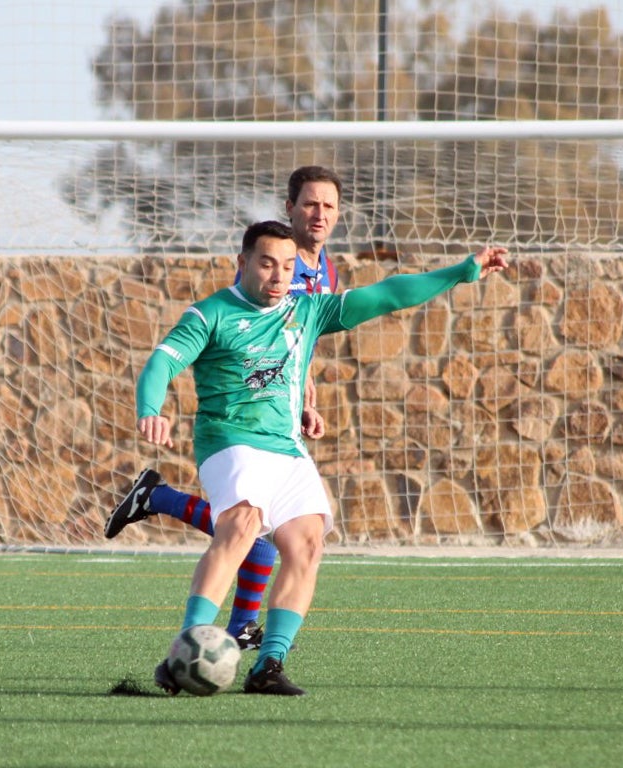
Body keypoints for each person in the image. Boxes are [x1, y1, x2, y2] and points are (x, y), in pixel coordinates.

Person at [135, 220, 508, 695]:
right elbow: (162, 362)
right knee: (243, 523)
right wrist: (151, 409)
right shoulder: (211, 314)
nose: (278, 276)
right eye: (267, 264)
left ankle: (268, 665)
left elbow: (388, 295)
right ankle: (183, 650)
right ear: (243, 262)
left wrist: (461, 270)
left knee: (308, 542)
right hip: (230, 440)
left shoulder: (307, 310)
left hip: (288, 449)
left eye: (288, 266)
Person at [105, 166, 344, 649]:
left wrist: (303, 396)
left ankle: (238, 628)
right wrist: (151, 405)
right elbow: (250, 336)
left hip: (281, 423)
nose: (319, 215)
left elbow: (297, 343)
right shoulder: (263, 267)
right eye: (310, 204)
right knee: (246, 529)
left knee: (281, 536)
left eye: (329, 206)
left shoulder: (325, 273)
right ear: (290, 209)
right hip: (235, 426)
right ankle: (218, 628)